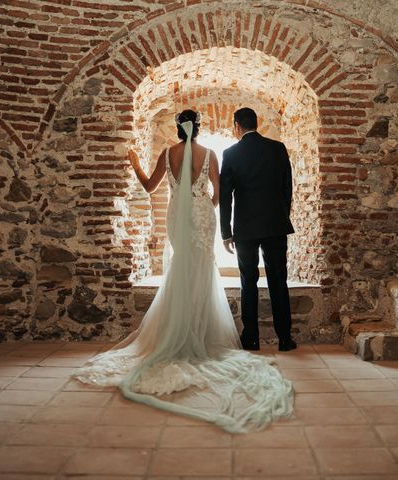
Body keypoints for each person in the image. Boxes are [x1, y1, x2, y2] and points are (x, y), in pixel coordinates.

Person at [71, 109, 294, 433]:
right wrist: (203, 206)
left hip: (184, 217)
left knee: (228, 278)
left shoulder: (183, 153)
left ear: (178, 129)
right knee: (271, 278)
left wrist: (136, 165)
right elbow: (225, 195)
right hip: (244, 221)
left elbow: (152, 187)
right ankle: (284, 338)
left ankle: (248, 338)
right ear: (199, 129)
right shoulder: (240, 152)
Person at [220, 108, 297, 352]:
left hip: (245, 229)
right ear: (257, 123)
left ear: (236, 126)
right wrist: (281, 214)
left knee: (248, 282)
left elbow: (225, 197)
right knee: (278, 280)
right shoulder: (277, 148)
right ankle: (285, 338)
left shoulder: (231, 154)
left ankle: (251, 337)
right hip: (275, 224)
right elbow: (287, 187)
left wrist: (226, 232)